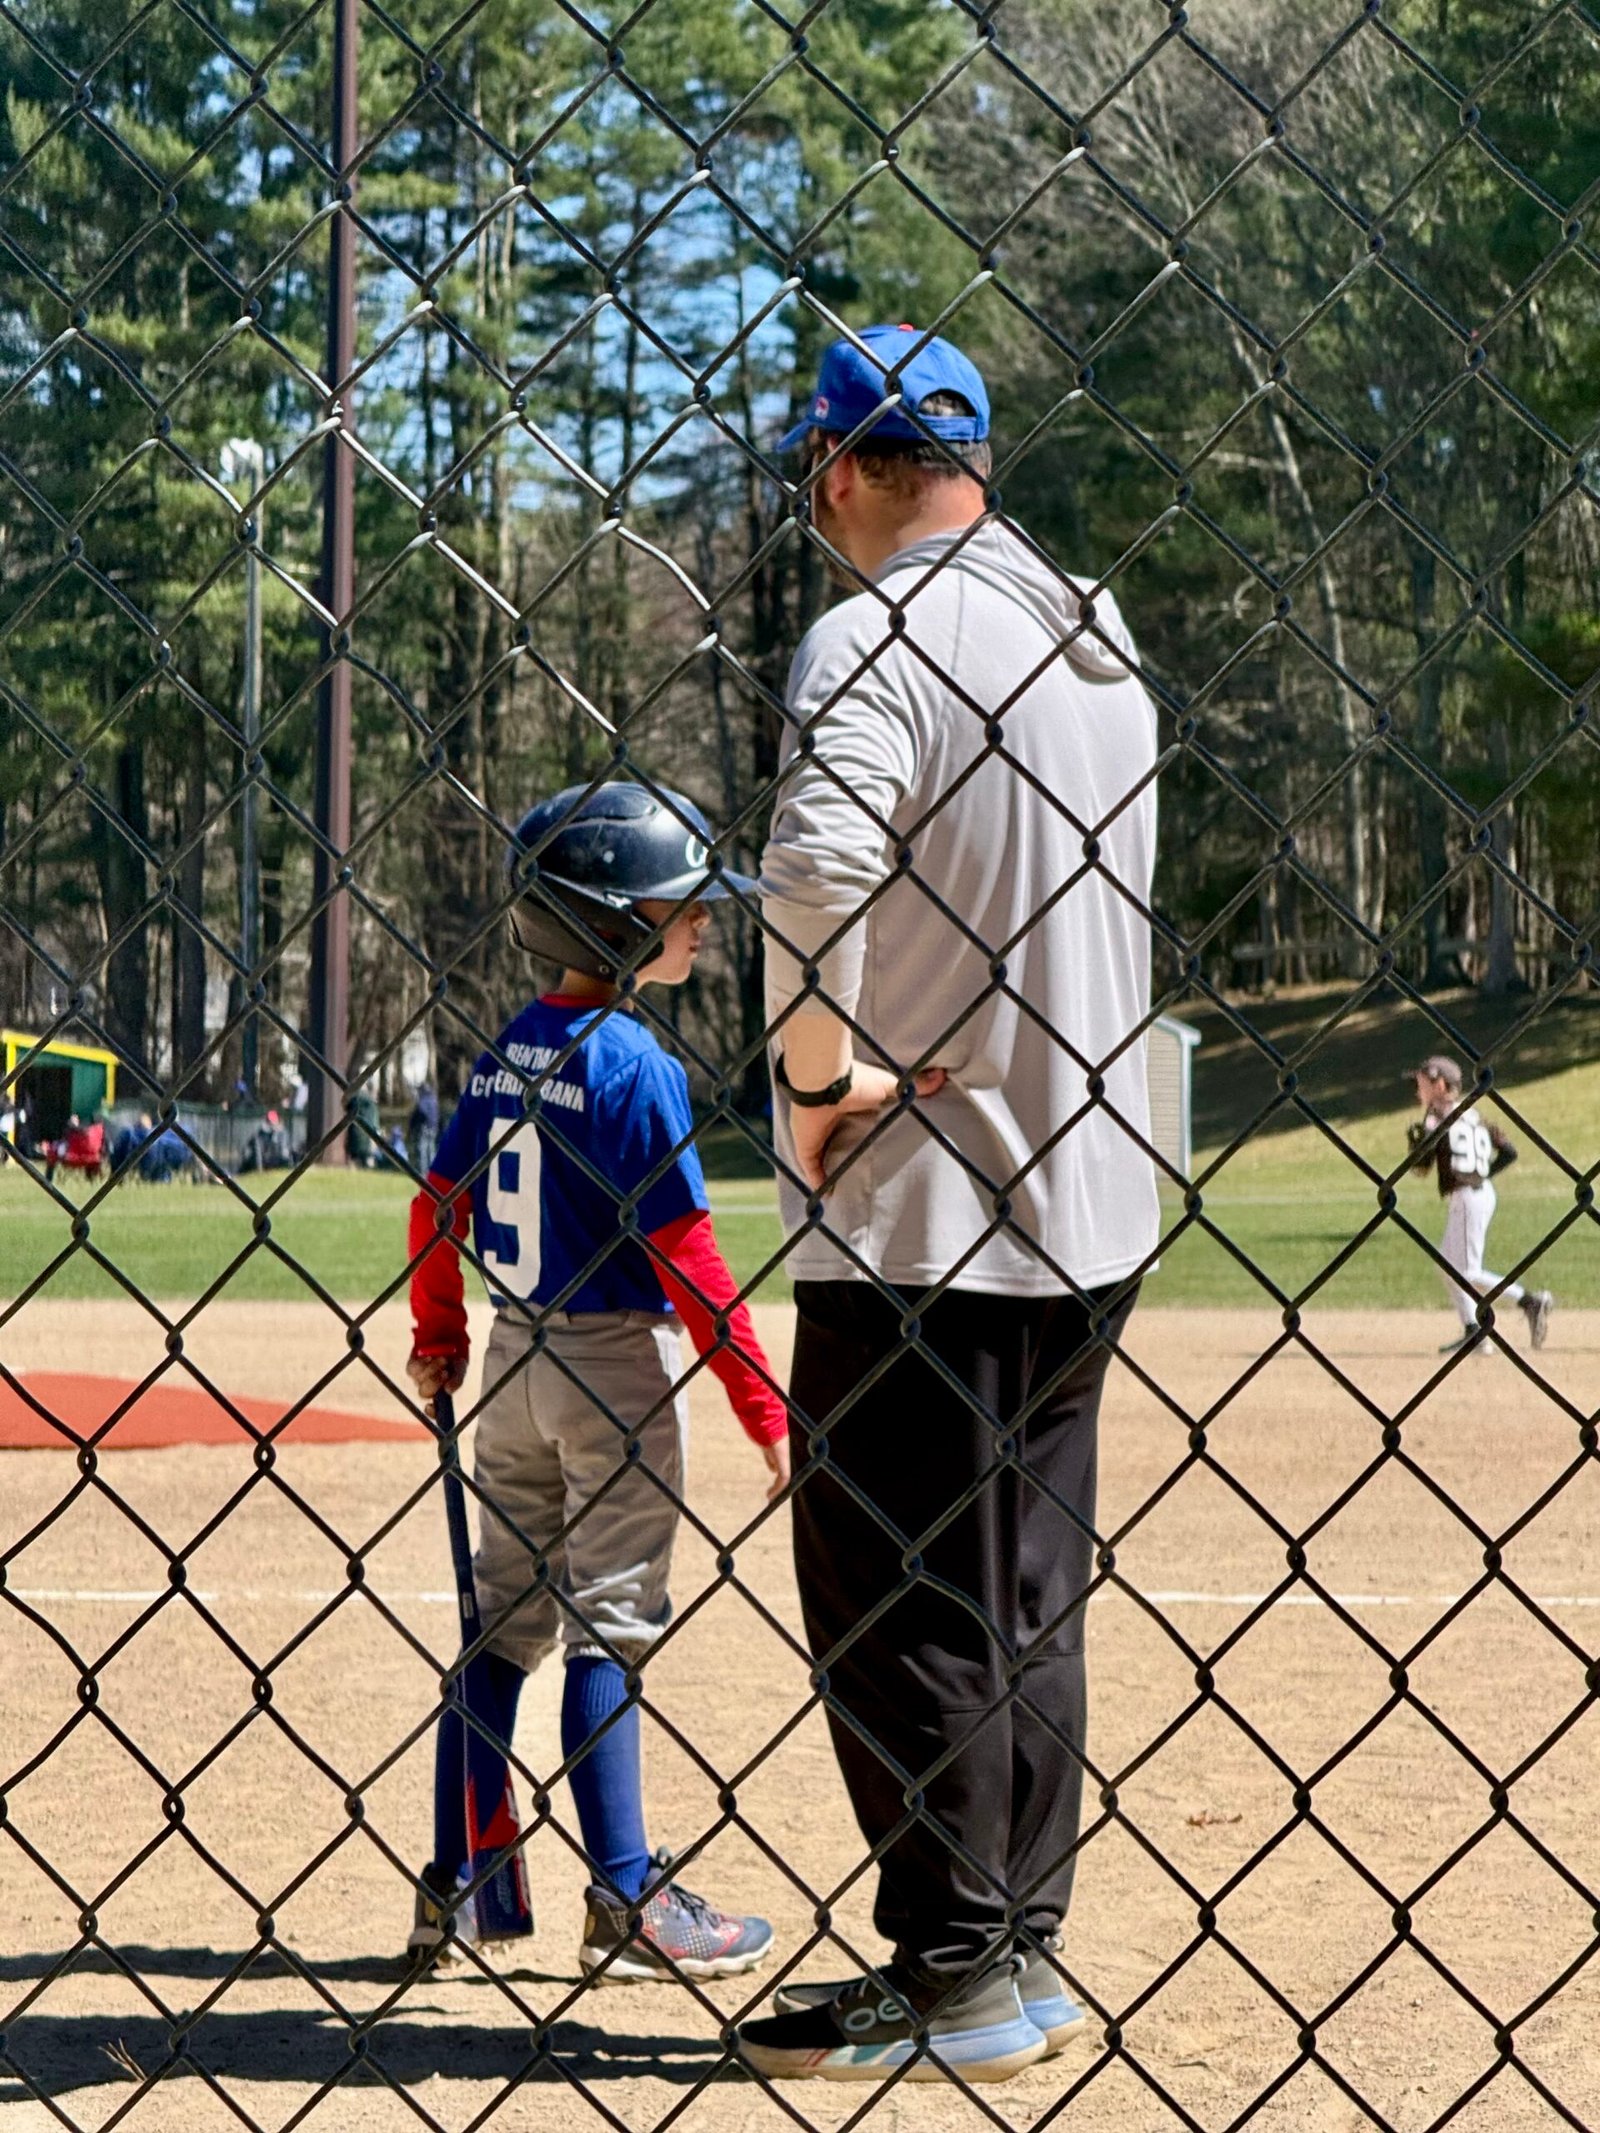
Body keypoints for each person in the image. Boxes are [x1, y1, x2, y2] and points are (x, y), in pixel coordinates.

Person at [736, 324, 1161, 2084]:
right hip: (1094, 1193)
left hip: (931, 1209)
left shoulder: (874, 628)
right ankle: (1018, 1945)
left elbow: (819, 869)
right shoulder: (1095, 631)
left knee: (894, 1582)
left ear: (842, 472)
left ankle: (958, 1962)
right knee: (1025, 1581)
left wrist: (818, 1083)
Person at [404, 780, 786, 1984]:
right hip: (614, 1368)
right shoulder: (634, 1066)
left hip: (512, 1356)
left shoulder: (503, 1053)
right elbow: (690, 1261)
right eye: (681, 906)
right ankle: (625, 1894)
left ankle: (454, 1882)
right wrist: (764, 1408)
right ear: (616, 927)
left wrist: (440, 1334)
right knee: (607, 1626)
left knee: (497, 1631)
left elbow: (434, 1206)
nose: (703, 922)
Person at [1407, 1054, 1552, 1353]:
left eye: (1422, 1085)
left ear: (1440, 1085)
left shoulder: (1437, 1119)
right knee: (1447, 1265)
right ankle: (1474, 1330)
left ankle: (1530, 1301)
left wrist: (1418, 1148)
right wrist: (1483, 1176)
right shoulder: (1474, 1116)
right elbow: (1509, 1152)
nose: (1417, 1092)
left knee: (1467, 1271)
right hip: (1480, 1193)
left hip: (1467, 1198)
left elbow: (1422, 1168)